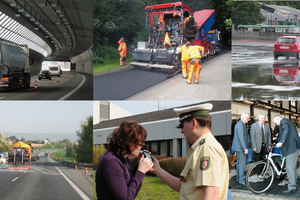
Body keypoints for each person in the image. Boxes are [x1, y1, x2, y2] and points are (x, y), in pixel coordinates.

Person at [150, 103, 229, 200]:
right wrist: (157, 170)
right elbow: (185, 188)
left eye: (182, 126)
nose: (182, 131)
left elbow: (212, 195)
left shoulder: (207, 147)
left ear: (193, 123)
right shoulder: (202, 147)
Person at [96, 120, 154, 199]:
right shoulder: (111, 162)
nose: (142, 147)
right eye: (141, 144)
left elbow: (129, 184)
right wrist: (141, 172)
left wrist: (140, 164)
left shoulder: (121, 156)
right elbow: (127, 198)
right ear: (131, 145)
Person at [273, 116, 300, 193]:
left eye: (276, 122)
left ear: (279, 119)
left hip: (292, 147)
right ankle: (294, 180)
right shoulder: (287, 121)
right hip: (294, 146)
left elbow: (285, 130)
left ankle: (292, 186)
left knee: (289, 167)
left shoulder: (283, 122)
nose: (276, 124)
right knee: (292, 166)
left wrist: (281, 141)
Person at [231, 112, 250, 186]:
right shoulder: (240, 125)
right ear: (243, 117)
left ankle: (238, 179)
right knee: (242, 164)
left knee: (239, 164)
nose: (248, 120)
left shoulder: (240, 124)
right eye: (247, 118)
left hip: (239, 147)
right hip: (241, 148)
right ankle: (241, 180)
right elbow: (241, 137)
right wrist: (245, 148)